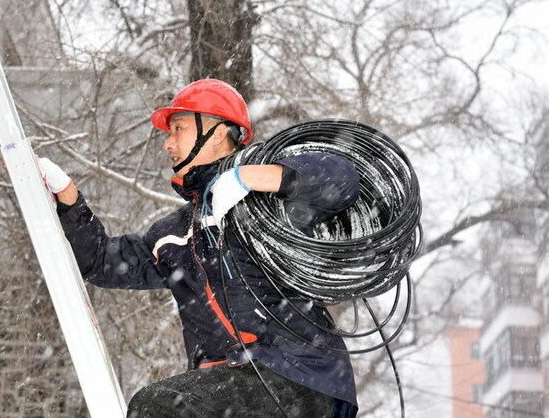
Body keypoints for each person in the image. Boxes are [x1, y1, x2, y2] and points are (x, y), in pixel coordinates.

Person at [39, 79, 360, 417]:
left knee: (158, 407)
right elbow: (101, 262)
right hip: (230, 388)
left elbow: (342, 178)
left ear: (217, 134)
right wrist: (70, 200)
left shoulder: (268, 204)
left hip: (299, 377)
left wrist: (249, 179)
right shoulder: (175, 233)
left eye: (178, 129)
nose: (168, 144)